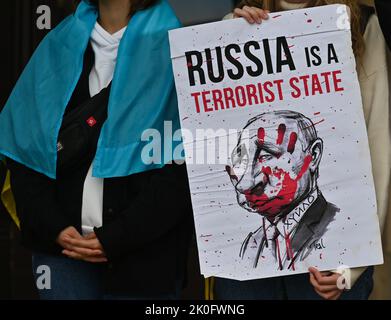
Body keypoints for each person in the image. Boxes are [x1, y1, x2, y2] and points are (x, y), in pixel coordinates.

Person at [0, 0, 193, 300]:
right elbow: (26, 153)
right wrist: (54, 226)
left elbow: (183, 169)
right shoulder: (58, 43)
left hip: (144, 260)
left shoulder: (176, 46)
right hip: (63, 255)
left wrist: (117, 237)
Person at [216, 0, 390, 300]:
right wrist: (230, 32)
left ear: (314, 155)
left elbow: (377, 147)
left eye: (268, 153)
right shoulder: (237, 24)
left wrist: (354, 266)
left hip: (333, 265)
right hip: (246, 277)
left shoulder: (362, 26)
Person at [226, 111, 339, 271]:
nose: (244, 184)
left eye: (266, 156)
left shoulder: (337, 227)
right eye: (241, 161)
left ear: (313, 155)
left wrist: (348, 276)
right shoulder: (252, 244)